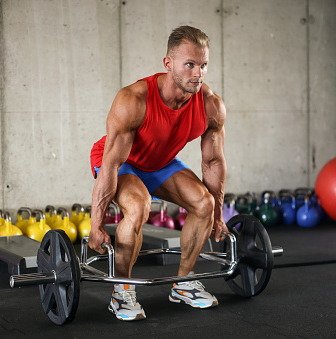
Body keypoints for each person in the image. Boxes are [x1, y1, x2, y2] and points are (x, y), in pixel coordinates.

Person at [89, 25, 227, 321]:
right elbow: (112, 164)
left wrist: (218, 217)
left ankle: (184, 283)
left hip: (160, 162)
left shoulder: (211, 105)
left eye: (203, 65)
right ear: (168, 64)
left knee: (204, 204)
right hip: (121, 161)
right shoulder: (134, 100)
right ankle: (121, 289)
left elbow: (213, 162)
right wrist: (96, 225)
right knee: (138, 206)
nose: (197, 73)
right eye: (189, 64)